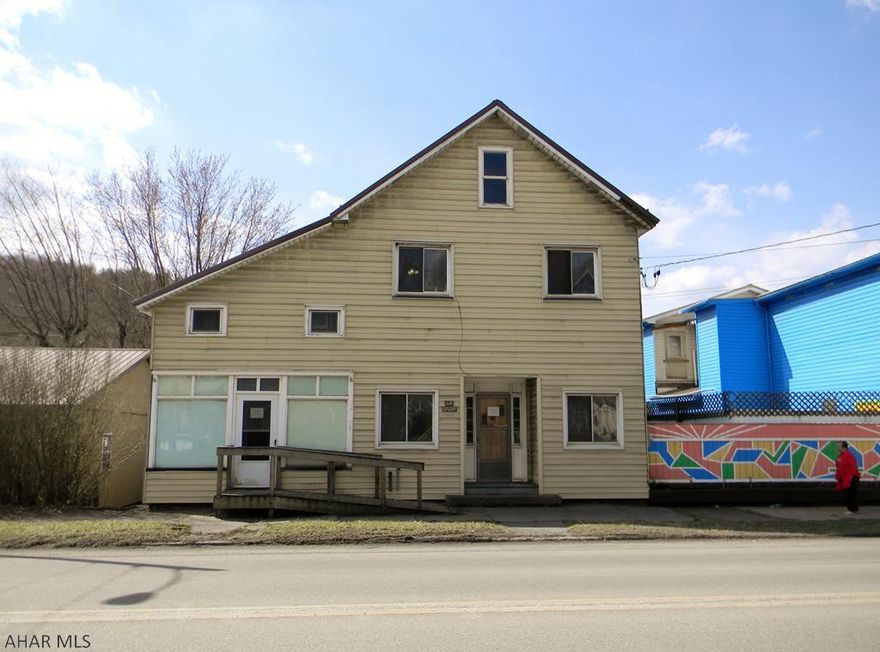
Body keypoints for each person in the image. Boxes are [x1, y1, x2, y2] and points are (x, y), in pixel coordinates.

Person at [835, 441, 860, 513]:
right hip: (846, 478)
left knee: (850, 494)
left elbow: (853, 468)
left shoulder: (848, 455)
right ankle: (854, 509)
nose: (837, 448)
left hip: (850, 478)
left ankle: (851, 509)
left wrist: (850, 478)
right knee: (849, 494)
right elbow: (839, 466)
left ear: (844, 447)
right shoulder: (842, 455)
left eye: (839, 446)